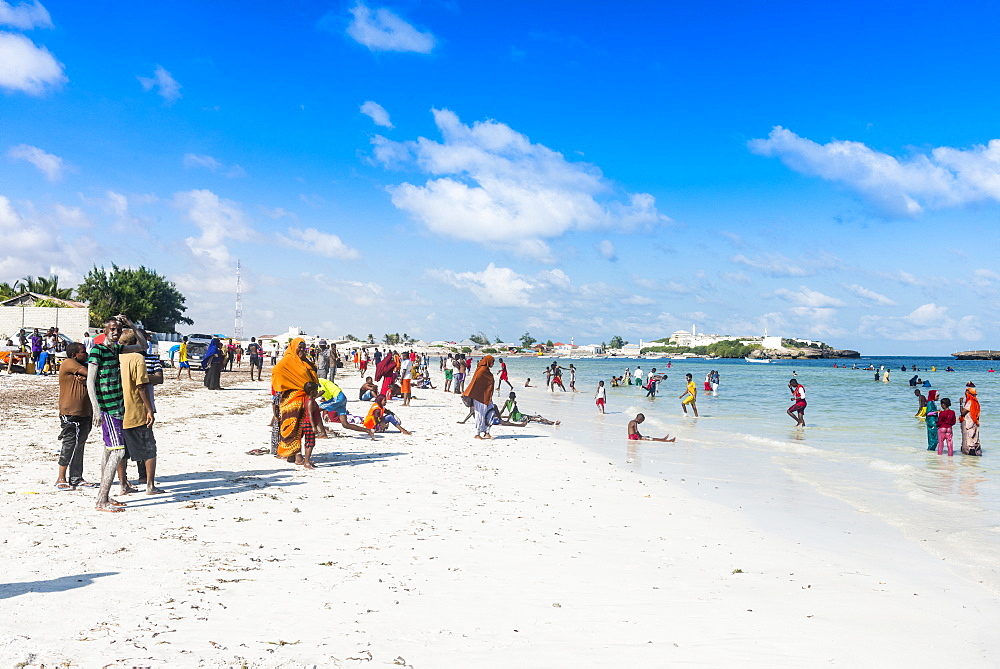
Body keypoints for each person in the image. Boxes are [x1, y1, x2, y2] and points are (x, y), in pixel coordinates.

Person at [87, 315, 148, 512]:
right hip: (107, 407)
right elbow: (90, 381)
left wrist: (132, 325)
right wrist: (96, 408)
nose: (115, 332)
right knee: (118, 450)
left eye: (119, 330)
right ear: (104, 330)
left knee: (108, 449)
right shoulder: (97, 350)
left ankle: (105, 496)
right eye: (112, 329)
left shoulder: (118, 349)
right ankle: (101, 500)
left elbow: (143, 345)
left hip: (118, 405)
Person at [118, 329, 163, 494]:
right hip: (136, 410)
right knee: (149, 448)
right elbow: (141, 386)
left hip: (117, 410)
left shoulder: (114, 358)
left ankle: (123, 484)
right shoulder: (138, 358)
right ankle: (150, 485)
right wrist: (149, 409)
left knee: (120, 450)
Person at [55, 343, 95, 490]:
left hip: (85, 412)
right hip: (70, 412)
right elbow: (92, 372)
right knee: (69, 444)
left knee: (80, 445)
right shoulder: (69, 363)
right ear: (74, 355)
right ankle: (61, 477)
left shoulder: (81, 366)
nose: (86, 354)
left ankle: (76, 477)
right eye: (83, 352)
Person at [272, 337, 319, 463]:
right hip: (292, 399)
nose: (302, 350)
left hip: (305, 398)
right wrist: (289, 384)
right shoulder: (288, 359)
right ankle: (297, 456)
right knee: (293, 427)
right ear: (293, 347)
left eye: (304, 348)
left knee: (300, 428)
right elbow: (276, 371)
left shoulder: (303, 361)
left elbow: (313, 371)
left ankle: (293, 455)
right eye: (300, 347)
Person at [463, 355, 497, 439]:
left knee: (491, 412)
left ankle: (487, 432)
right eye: (492, 362)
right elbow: (475, 383)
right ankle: (477, 434)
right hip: (479, 397)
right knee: (480, 415)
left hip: (487, 396)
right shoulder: (481, 371)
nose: (493, 364)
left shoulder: (486, 371)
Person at [960, 386, 982, 456]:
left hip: (969, 422)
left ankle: (970, 455)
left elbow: (962, 412)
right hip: (975, 422)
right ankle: (975, 454)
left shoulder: (970, 402)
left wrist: (960, 404)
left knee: (969, 439)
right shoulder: (976, 402)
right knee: (974, 438)